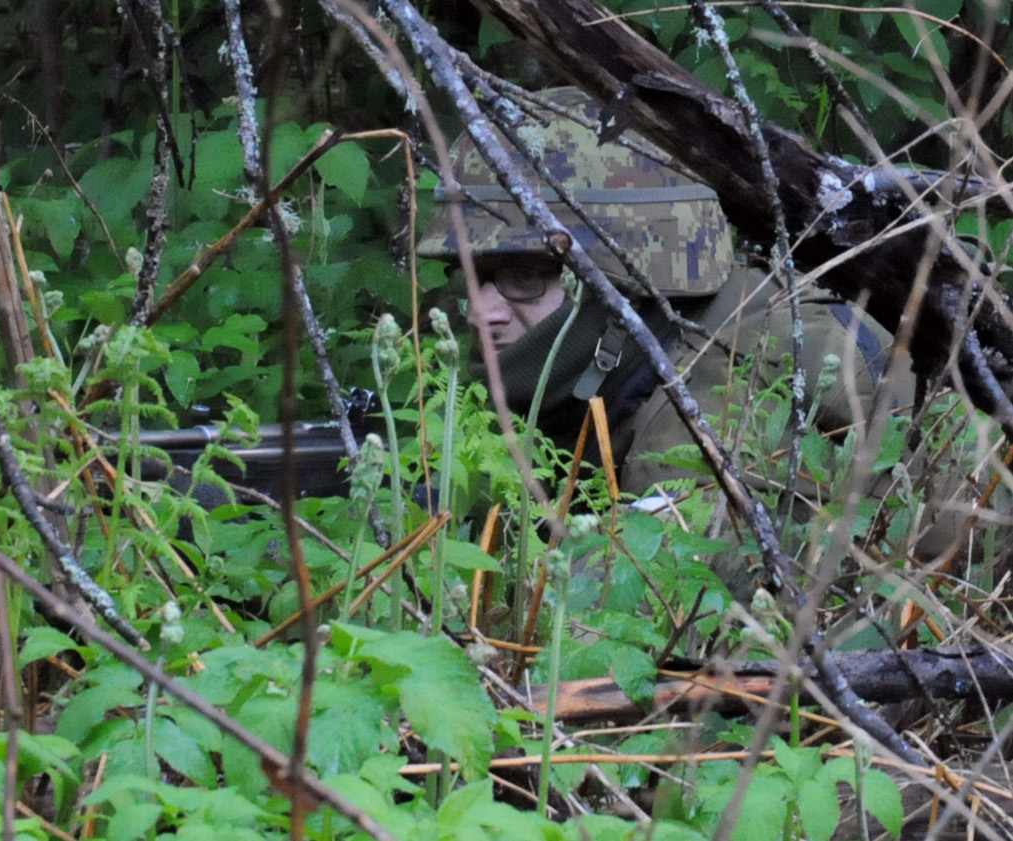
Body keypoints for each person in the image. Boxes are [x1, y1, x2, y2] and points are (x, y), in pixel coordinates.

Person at [414, 87, 989, 593]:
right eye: (473, 278)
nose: (480, 312)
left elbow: (616, 605)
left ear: (626, 279)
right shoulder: (632, 356)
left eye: (524, 278)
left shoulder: (710, 398)